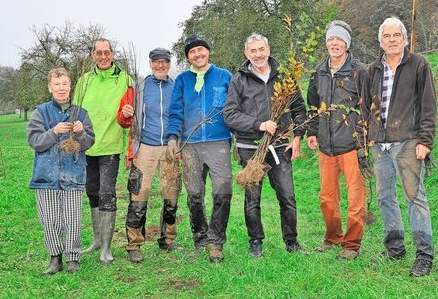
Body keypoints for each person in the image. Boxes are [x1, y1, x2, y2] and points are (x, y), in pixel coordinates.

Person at [363, 16, 437, 277]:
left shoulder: (418, 65)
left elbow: (428, 105)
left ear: (405, 39)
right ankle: (394, 248)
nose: (392, 40)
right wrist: (368, 135)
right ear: (380, 41)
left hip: (407, 141)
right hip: (380, 144)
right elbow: (366, 106)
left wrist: (425, 141)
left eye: (396, 35)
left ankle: (424, 255)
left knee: (414, 197)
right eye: (387, 36)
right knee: (385, 197)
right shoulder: (372, 69)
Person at [223, 33, 306, 258]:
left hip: (279, 146)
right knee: (253, 199)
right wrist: (259, 125)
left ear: (268, 50)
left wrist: (297, 136)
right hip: (250, 148)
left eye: (261, 49)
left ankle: (291, 241)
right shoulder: (238, 80)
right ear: (246, 54)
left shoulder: (284, 77)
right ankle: (256, 242)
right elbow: (229, 115)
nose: (258, 54)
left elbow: (299, 110)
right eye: (253, 51)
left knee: (287, 196)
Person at [166, 35, 233, 263]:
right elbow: (175, 112)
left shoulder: (224, 76)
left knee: (222, 191)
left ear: (208, 51)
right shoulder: (182, 80)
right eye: (192, 52)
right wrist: (173, 138)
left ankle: (216, 241)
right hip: (190, 145)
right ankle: (200, 237)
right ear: (188, 57)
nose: (197, 54)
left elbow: (234, 109)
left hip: (219, 141)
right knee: (195, 193)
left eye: (201, 50)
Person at [306, 20, 367, 260]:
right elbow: (312, 105)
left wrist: (363, 139)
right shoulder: (319, 72)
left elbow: (368, 106)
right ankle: (332, 237)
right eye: (331, 39)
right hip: (326, 145)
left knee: (355, 197)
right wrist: (312, 132)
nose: (335, 44)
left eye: (339, 40)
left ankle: (351, 244)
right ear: (326, 43)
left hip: (351, 145)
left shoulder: (358, 71)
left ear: (346, 44)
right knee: (327, 197)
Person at [117, 47, 182, 263]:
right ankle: (134, 244)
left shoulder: (176, 87)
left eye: (164, 62)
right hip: (145, 147)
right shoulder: (139, 87)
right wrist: (126, 115)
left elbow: (181, 116)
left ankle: (168, 239)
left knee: (171, 194)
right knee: (139, 194)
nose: (160, 65)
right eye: (156, 62)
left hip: (171, 149)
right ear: (150, 63)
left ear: (169, 64)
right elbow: (124, 119)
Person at [27, 68, 95, 275]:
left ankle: (73, 257)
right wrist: (53, 131)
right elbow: (35, 142)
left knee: (73, 218)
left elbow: (89, 142)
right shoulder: (41, 112)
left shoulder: (81, 114)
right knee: (50, 219)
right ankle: (55, 258)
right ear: (50, 87)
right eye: (57, 84)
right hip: (46, 177)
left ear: (70, 87)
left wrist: (81, 132)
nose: (61, 88)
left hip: (73, 175)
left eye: (65, 84)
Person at [75, 38, 131, 264]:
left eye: (107, 52)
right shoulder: (85, 80)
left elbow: (130, 113)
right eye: (98, 53)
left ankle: (106, 248)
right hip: (86, 146)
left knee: (107, 192)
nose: (103, 56)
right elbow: (76, 110)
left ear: (113, 53)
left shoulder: (125, 79)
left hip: (110, 145)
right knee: (92, 191)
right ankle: (97, 240)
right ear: (92, 55)